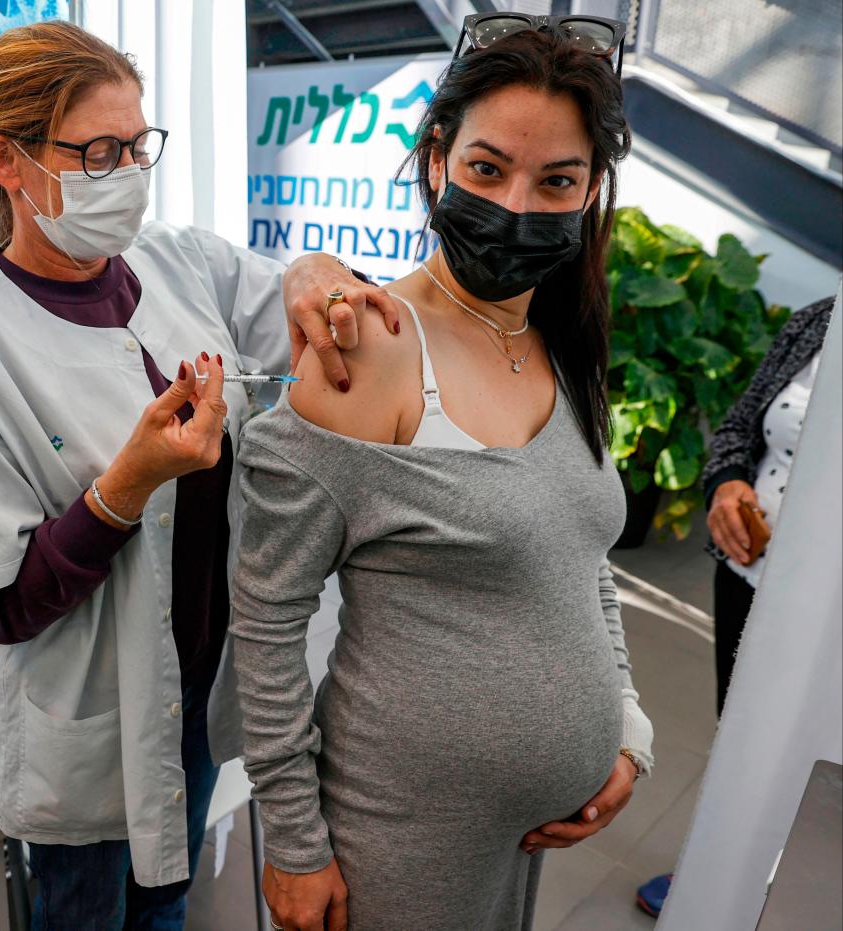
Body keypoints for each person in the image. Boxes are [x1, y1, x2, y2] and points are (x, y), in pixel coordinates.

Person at [0, 21, 398, 931]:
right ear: (5, 160)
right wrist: (125, 484)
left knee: (165, 910)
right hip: (86, 730)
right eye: (97, 152)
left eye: (138, 145)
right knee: (90, 913)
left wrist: (318, 276)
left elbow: (292, 293)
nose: (128, 171)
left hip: (196, 689)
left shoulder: (179, 262)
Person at [231, 18, 655, 930]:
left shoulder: (560, 349)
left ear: (590, 193)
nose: (515, 204)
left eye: (557, 181)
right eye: (486, 168)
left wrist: (626, 728)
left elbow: (581, 559)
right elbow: (266, 618)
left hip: (529, 832)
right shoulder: (369, 350)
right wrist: (294, 844)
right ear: (435, 161)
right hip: (401, 834)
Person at [635, 292, 835, 918]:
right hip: (750, 571)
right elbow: (740, 425)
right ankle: (717, 872)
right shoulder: (821, 319)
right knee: (741, 730)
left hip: (827, 608)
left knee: (814, 754)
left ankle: (788, 893)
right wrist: (725, 484)